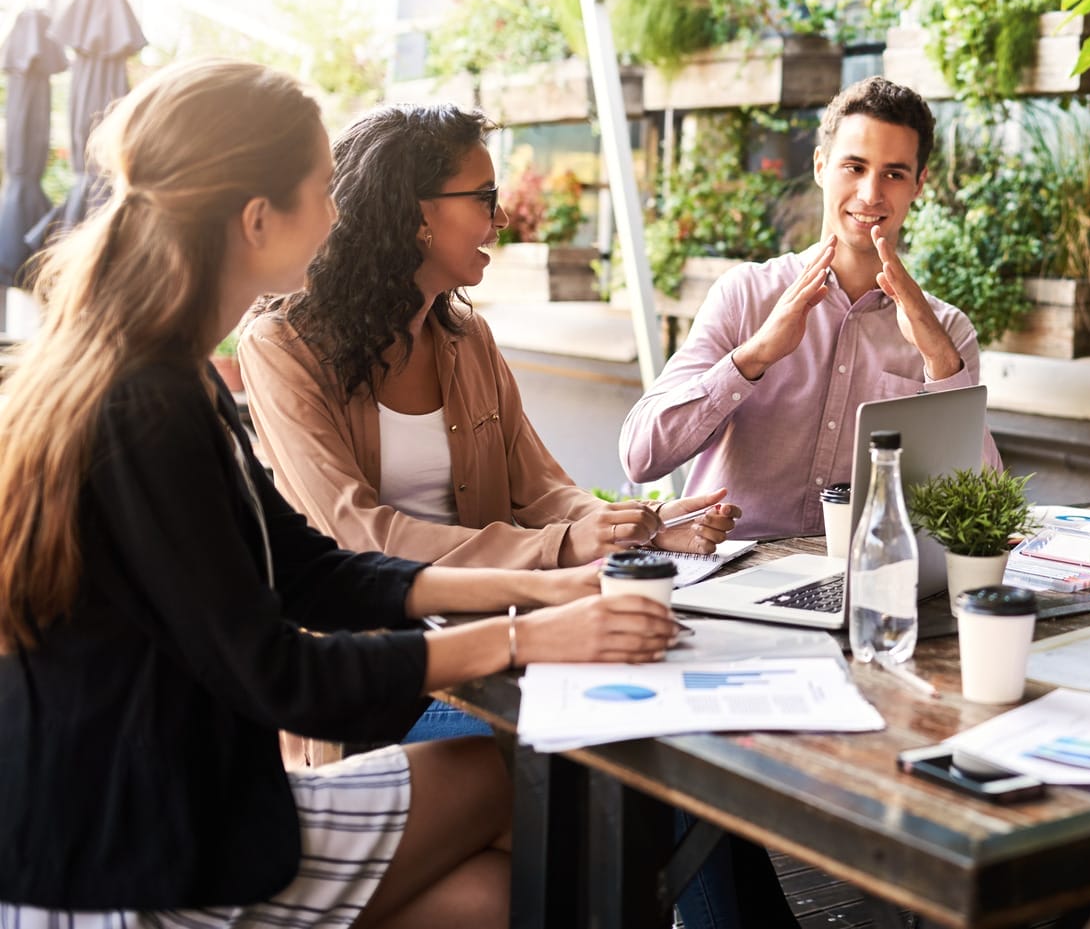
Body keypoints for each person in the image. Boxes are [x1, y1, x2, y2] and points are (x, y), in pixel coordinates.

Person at [0, 60, 680, 928]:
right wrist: (526, 631)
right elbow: (280, 672)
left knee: (507, 889)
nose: (340, 211)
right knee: (528, 799)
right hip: (128, 863)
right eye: (324, 189)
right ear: (256, 220)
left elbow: (313, 565)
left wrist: (543, 586)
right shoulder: (147, 406)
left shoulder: (174, 377)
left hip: (167, 808)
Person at [240, 103, 735, 574]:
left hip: (490, 614)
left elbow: (540, 491)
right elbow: (355, 532)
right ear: (415, 215)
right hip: (371, 639)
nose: (500, 220)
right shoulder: (282, 348)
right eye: (485, 197)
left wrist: (643, 526)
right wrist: (561, 545)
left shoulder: (467, 338)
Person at [621, 76, 997, 539]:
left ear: (919, 184)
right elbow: (642, 456)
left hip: (869, 579)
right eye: (854, 167)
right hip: (736, 576)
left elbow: (986, 508)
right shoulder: (745, 295)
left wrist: (941, 365)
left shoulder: (948, 332)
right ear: (821, 166)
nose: (870, 194)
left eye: (894, 174)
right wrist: (753, 357)